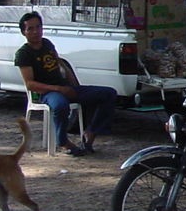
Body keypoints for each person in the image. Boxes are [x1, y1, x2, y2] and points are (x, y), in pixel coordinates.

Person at [15, 12, 117, 157]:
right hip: (46, 92)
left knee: (109, 94)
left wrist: (73, 83)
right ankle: (63, 142)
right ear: (24, 32)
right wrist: (58, 89)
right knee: (61, 105)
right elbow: (30, 84)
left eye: (38, 27)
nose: (36, 31)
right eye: (30, 29)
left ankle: (91, 133)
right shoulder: (23, 53)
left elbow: (59, 63)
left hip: (64, 87)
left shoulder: (47, 44)